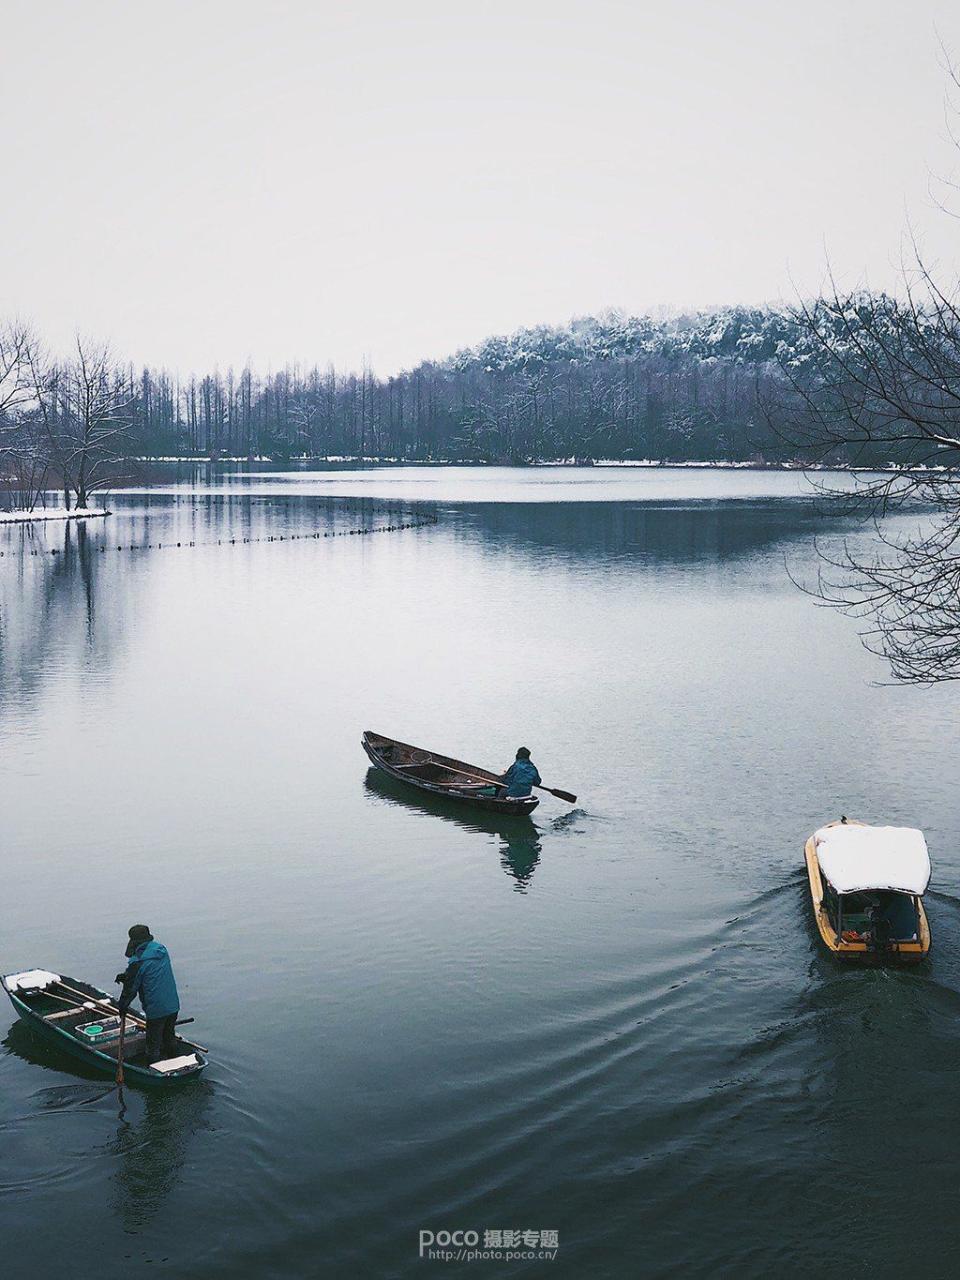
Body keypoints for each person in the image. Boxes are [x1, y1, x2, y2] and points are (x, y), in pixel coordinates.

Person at [115, 924, 181, 1063]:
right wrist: (127, 975)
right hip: (173, 1005)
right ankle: (176, 1062)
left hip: (156, 1009)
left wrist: (122, 1007)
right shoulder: (161, 950)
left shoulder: (138, 962)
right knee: (169, 1036)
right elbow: (150, 972)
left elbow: (130, 990)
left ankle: (154, 1068)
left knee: (153, 1044)